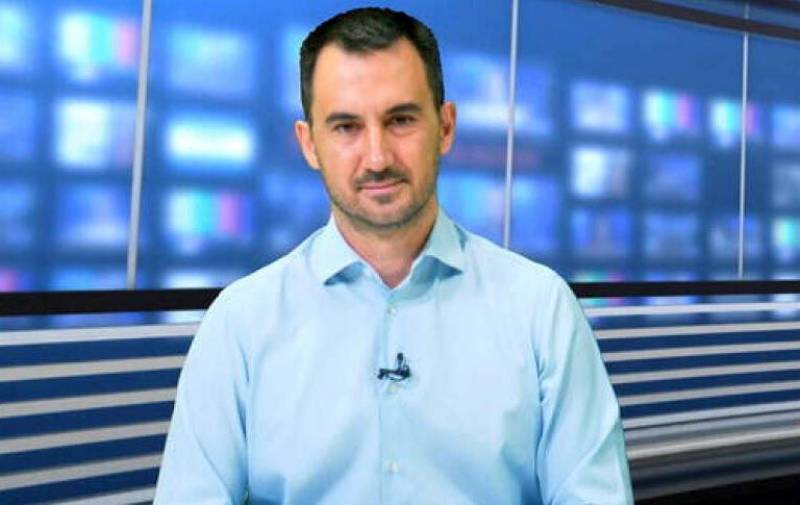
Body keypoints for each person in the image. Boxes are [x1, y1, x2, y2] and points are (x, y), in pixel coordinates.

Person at [155, 7, 633, 504]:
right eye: (346, 127)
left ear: (445, 126)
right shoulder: (241, 323)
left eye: (400, 120)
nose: (378, 158)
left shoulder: (540, 310)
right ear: (309, 144)